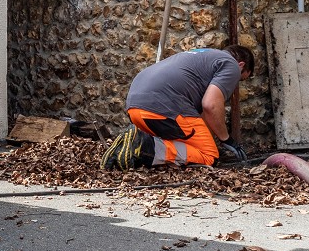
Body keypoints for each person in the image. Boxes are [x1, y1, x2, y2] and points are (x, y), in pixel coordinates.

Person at [102, 45, 255, 170]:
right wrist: (226, 139)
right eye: (240, 79)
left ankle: (131, 146)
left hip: (136, 108)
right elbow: (210, 105)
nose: (235, 82)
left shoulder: (201, 55)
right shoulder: (231, 64)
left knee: (189, 146)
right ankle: (145, 147)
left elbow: (201, 116)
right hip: (164, 108)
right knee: (209, 156)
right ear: (241, 65)